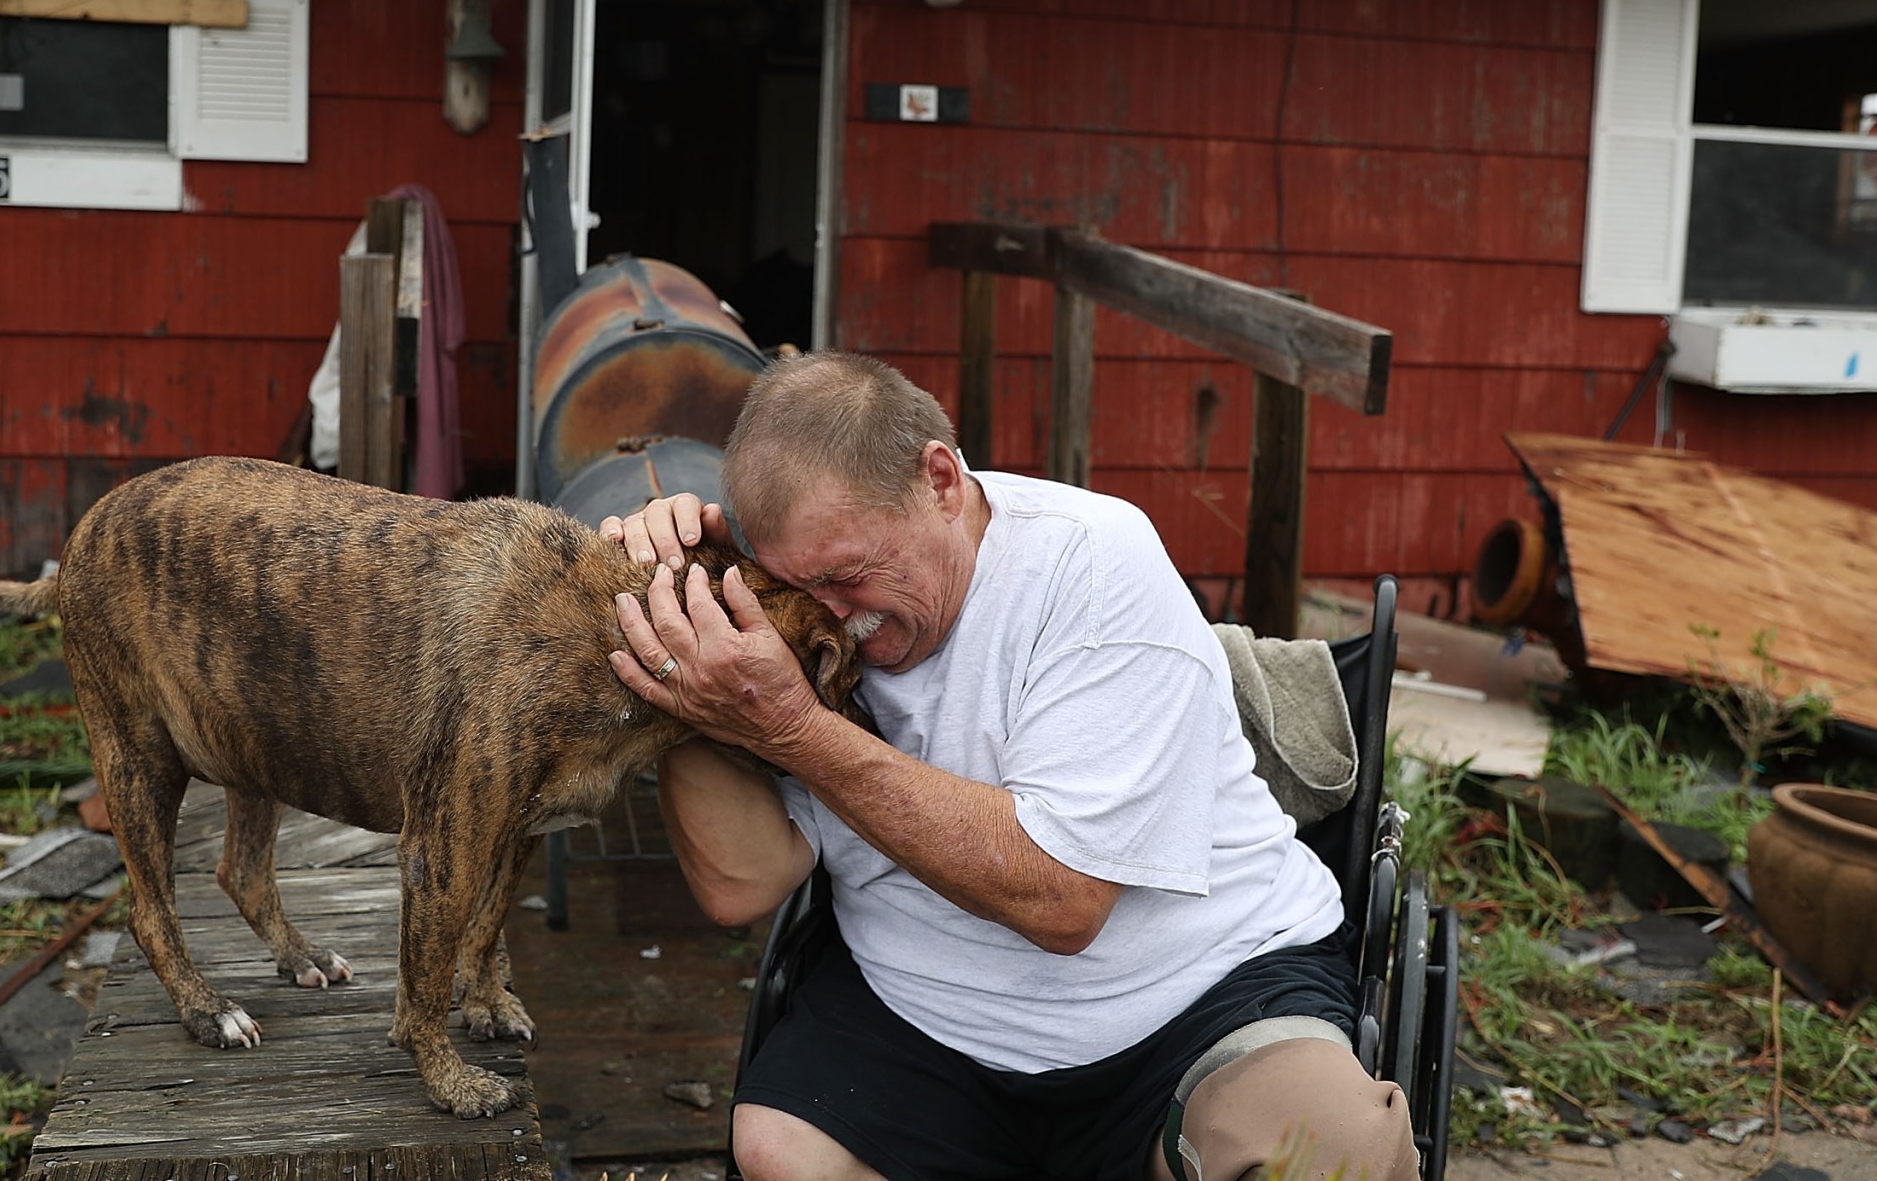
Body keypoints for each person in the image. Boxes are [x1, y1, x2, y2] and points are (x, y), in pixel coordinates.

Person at [598, 352, 1419, 1181]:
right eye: (802, 587)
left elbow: (1062, 900)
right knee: (780, 1150)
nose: (835, 621)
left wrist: (794, 729)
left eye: (851, 576)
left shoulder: (1090, 565)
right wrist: (684, 651)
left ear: (941, 481)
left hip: (1195, 998)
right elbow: (741, 884)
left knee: (1329, 1156)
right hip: (925, 1015)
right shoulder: (798, 599)